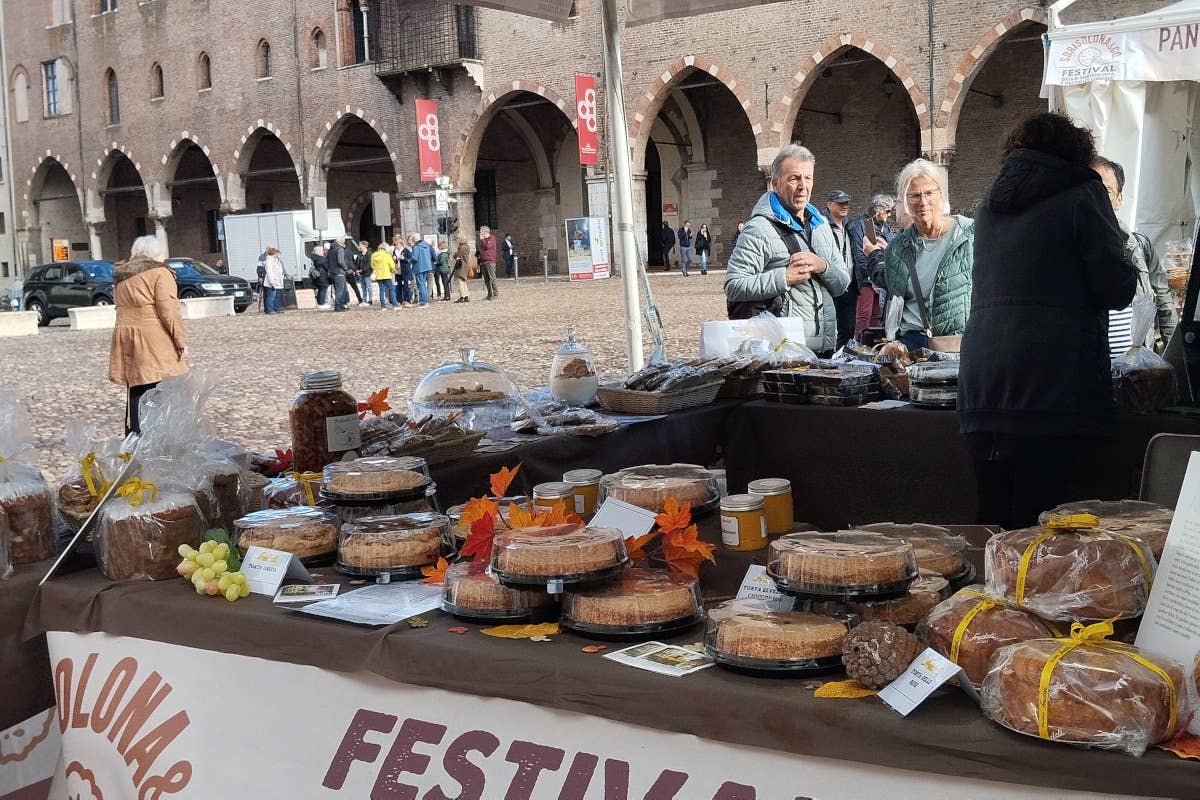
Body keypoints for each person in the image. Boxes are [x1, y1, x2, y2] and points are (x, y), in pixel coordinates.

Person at [959, 112, 1136, 530]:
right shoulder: (1083, 192)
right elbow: (1117, 287)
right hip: (1050, 385)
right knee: (1044, 534)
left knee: (994, 526)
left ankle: (985, 596)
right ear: (1077, 151)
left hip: (983, 383)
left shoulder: (989, 203)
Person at [724, 143, 850, 357]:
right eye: (794, 178)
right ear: (775, 183)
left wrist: (823, 266)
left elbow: (842, 284)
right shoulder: (759, 229)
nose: (803, 186)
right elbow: (734, 285)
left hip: (825, 349)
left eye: (808, 178)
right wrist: (784, 277)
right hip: (784, 353)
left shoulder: (821, 226)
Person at [876, 159, 975, 351]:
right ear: (905, 200)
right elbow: (896, 303)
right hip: (912, 345)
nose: (923, 202)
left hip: (960, 345)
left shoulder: (970, 235)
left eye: (929, 193)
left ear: (941, 194)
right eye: (914, 195)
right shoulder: (897, 248)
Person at [1092, 156, 1177, 356]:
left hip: (1136, 374)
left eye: (1105, 191)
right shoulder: (1069, 249)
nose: (1096, 199)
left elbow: (1165, 308)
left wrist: (1175, 364)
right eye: (1090, 190)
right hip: (1090, 376)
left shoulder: (1140, 246)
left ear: (1119, 199)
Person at [108, 235, 188, 435]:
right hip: (152, 336)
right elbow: (168, 310)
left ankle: (135, 434)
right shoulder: (159, 273)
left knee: (137, 385)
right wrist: (181, 341)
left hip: (126, 334)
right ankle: (160, 436)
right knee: (161, 384)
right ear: (155, 254)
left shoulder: (122, 276)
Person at [847, 194, 894, 340]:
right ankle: (860, 343)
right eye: (887, 211)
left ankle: (873, 343)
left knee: (877, 315)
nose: (889, 214)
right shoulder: (862, 225)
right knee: (864, 313)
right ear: (878, 211)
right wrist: (871, 277)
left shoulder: (885, 228)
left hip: (880, 275)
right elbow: (860, 255)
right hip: (867, 277)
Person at [824, 190, 856, 349]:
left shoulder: (850, 226)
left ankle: (843, 359)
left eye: (846, 203)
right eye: (840, 203)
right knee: (830, 327)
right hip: (831, 283)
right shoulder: (821, 226)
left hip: (850, 284)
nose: (845, 206)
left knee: (849, 327)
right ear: (829, 205)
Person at [410, 233, 435, 307]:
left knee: (421, 285)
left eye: (412, 238)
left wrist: (408, 260)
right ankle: (424, 300)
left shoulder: (416, 247)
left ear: (415, 239)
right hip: (426, 267)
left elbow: (414, 258)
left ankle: (424, 302)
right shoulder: (426, 245)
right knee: (423, 285)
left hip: (419, 267)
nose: (412, 240)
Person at [371, 242, 398, 310]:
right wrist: (393, 269)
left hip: (379, 276)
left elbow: (372, 266)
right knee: (391, 289)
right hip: (386, 275)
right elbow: (392, 265)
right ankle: (395, 304)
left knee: (381, 290)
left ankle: (383, 306)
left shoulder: (374, 255)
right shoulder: (387, 255)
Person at [326, 236, 350, 311]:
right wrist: (346, 269)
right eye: (344, 242)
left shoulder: (330, 250)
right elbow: (341, 261)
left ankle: (341, 305)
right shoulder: (340, 249)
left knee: (340, 290)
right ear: (341, 242)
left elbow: (327, 261)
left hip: (332, 273)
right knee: (341, 290)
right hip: (339, 273)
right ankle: (338, 306)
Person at [261, 246, 285, 315]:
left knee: (276, 296)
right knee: (271, 296)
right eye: (277, 253)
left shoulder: (276, 261)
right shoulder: (269, 261)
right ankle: (270, 309)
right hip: (272, 282)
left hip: (278, 281)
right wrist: (272, 281)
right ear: (274, 253)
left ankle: (276, 308)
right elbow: (270, 272)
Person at [392, 234, 415, 306]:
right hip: (398, 270)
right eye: (395, 244)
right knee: (398, 285)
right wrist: (394, 259)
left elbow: (410, 259)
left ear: (401, 244)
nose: (396, 246)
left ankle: (407, 299)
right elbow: (393, 260)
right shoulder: (394, 251)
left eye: (397, 244)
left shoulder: (406, 250)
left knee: (406, 285)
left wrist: (404, 259)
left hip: (405, 270)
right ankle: (399, 300)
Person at [478, 225, 500, 300]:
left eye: (481, 232)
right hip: (483, 261)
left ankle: (495, 293)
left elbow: (487, 246)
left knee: (492, 278)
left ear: (485, 232)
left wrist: (482, 240)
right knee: (486, 279)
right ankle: (490, 294)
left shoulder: (492, 238)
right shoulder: (483, 240)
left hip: (490, 261)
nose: (480, 233)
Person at [451, 237, 472, 303]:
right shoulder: (467, 247)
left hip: (461, 266)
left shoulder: (461, 247)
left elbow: (457, 255)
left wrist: (455, 254)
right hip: (465, 265)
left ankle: (462, 296)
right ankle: (466, 296)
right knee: (463, 281)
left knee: (460, 282)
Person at [354, 240, 373, 305]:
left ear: (365, 246)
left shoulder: (369, 254)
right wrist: (356, 270)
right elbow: (356, 263)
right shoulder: (359, 254)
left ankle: (370, 299)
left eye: (360, 245)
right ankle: (364, 299)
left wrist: (362, 270)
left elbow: (369, 264)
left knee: (368, 287)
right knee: (363, 287)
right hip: (361, 273)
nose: (359, 246)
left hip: (367, 273)